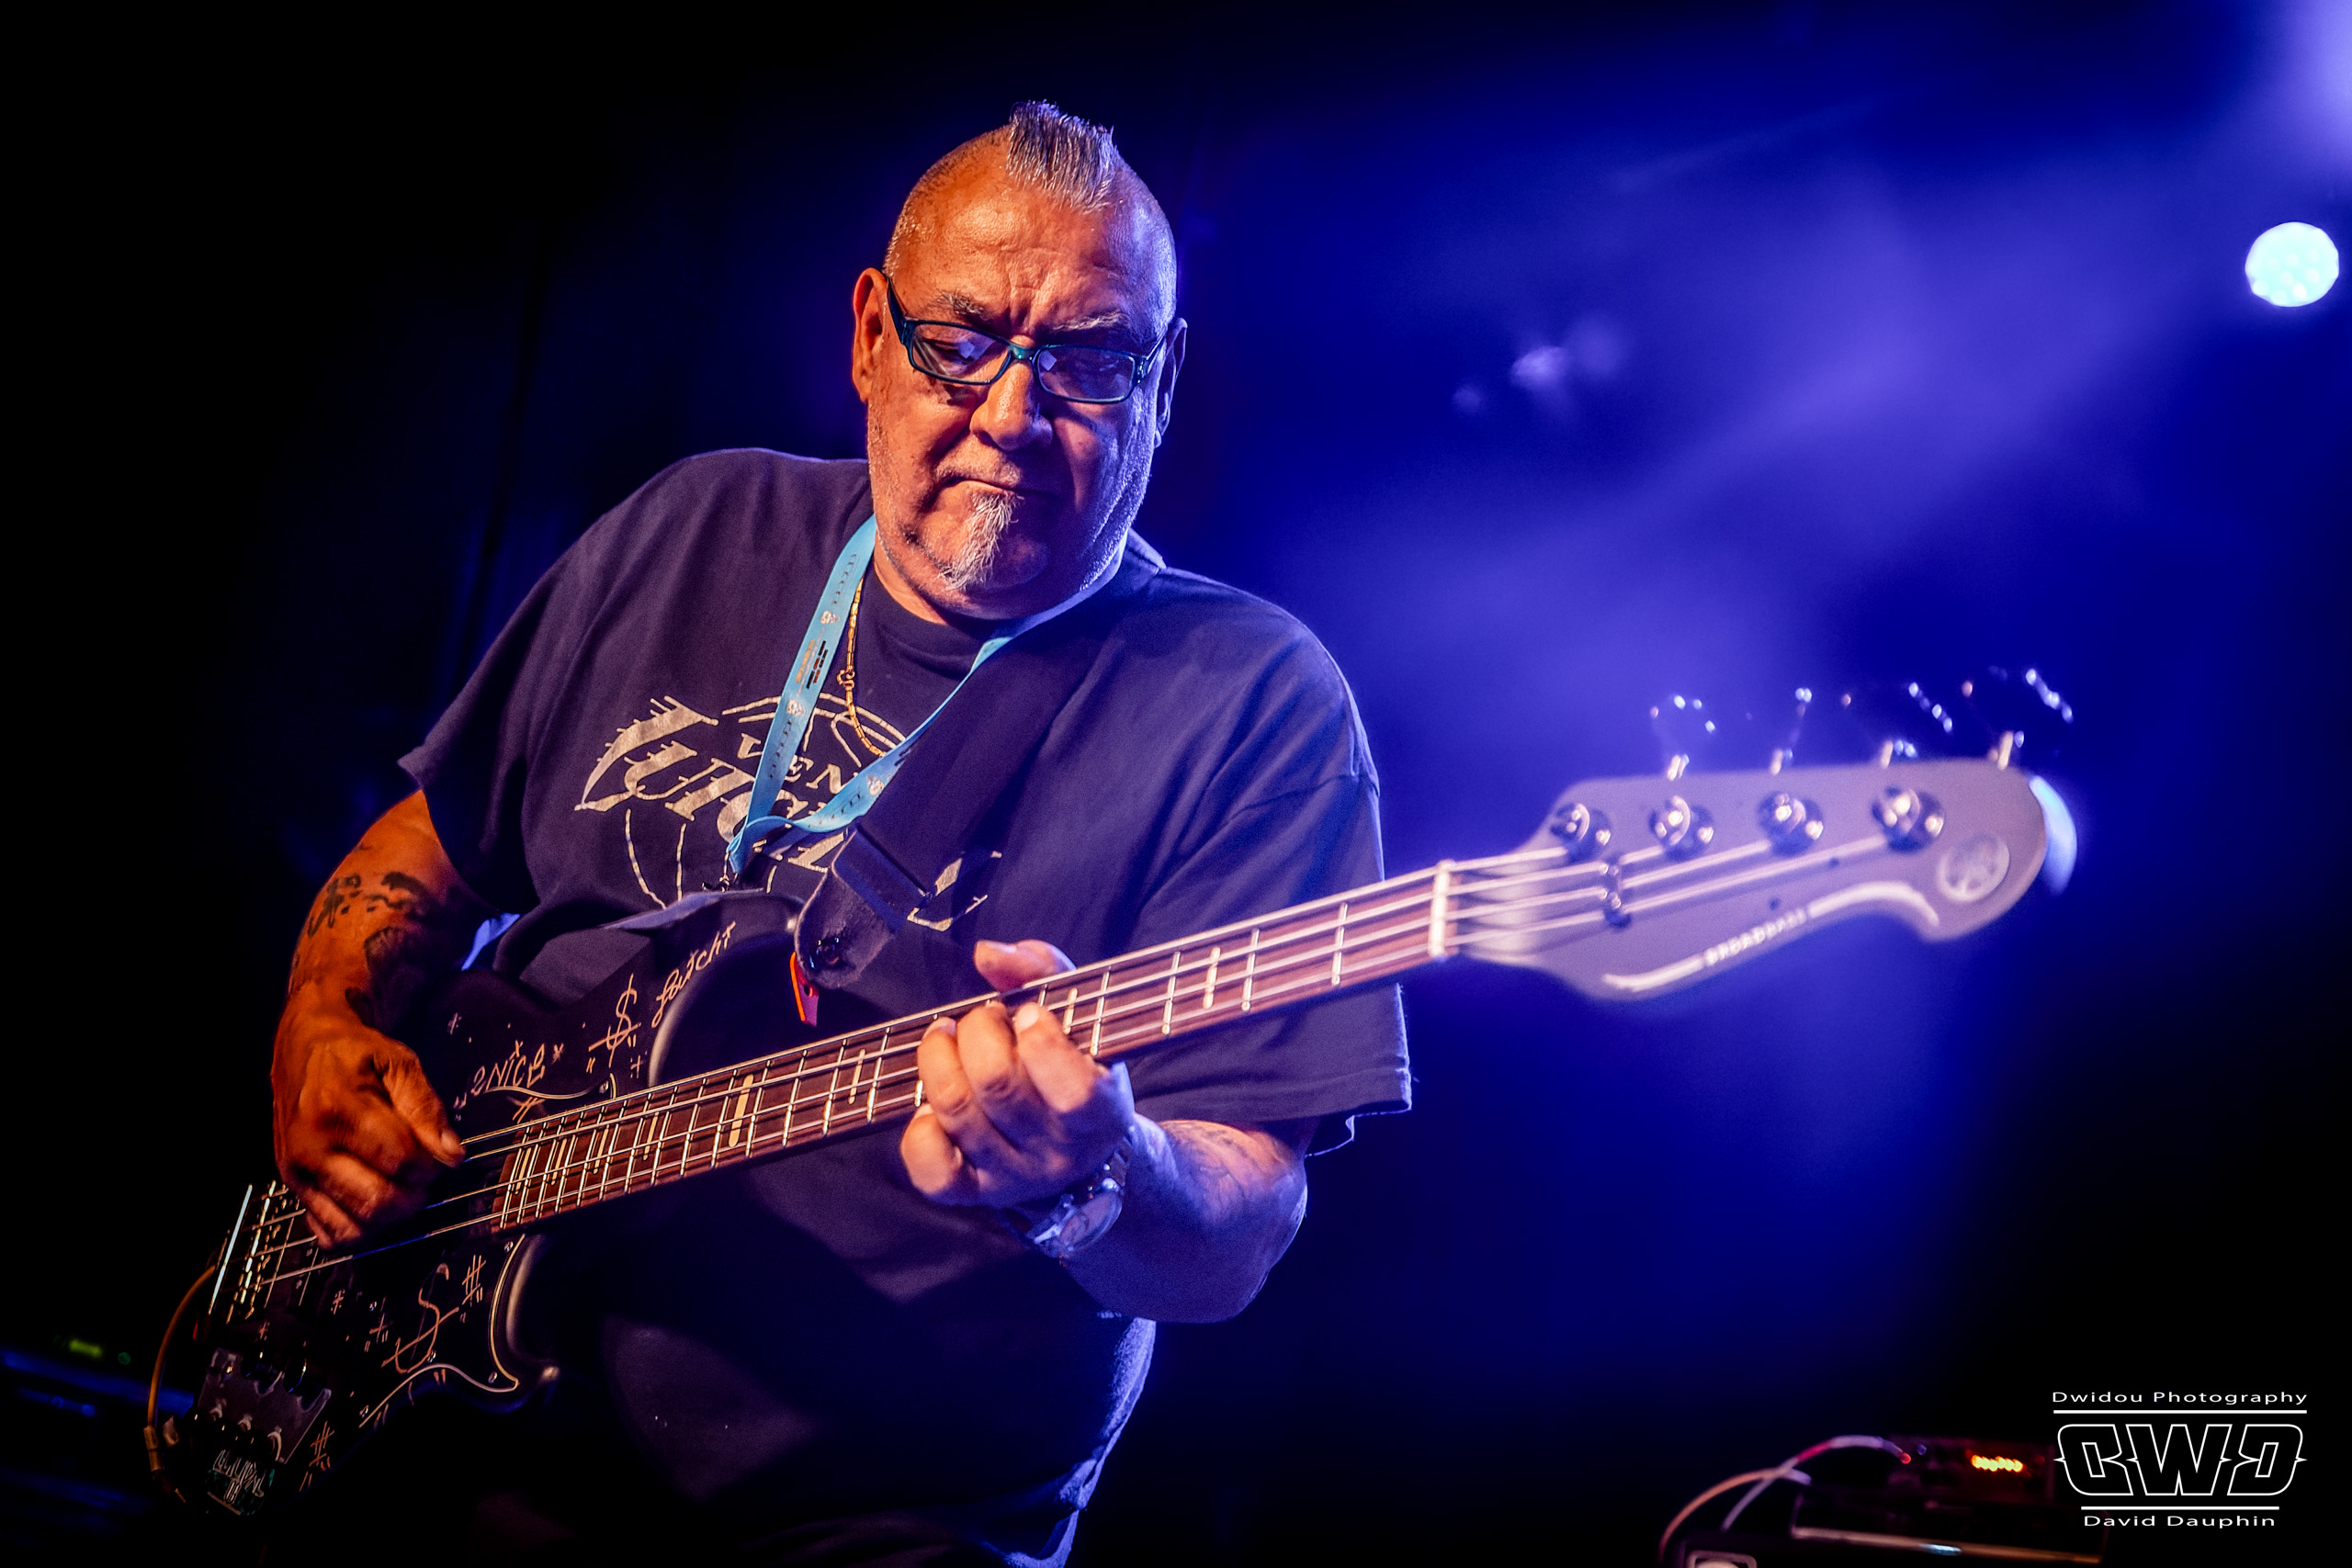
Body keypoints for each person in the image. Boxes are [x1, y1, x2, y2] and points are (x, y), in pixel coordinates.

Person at [267, 102, 1408, 1564]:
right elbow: (426, 846)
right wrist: (317, 1023)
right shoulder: (694, 526)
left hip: (871, 1525)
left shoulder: (1252, 702)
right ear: (872, 335)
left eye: (1087, 359)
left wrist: (1100, 1171)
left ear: (1163, 379)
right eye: (964, 341)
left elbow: (1238, 1232)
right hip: (446, 1426)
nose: (1015, 413)